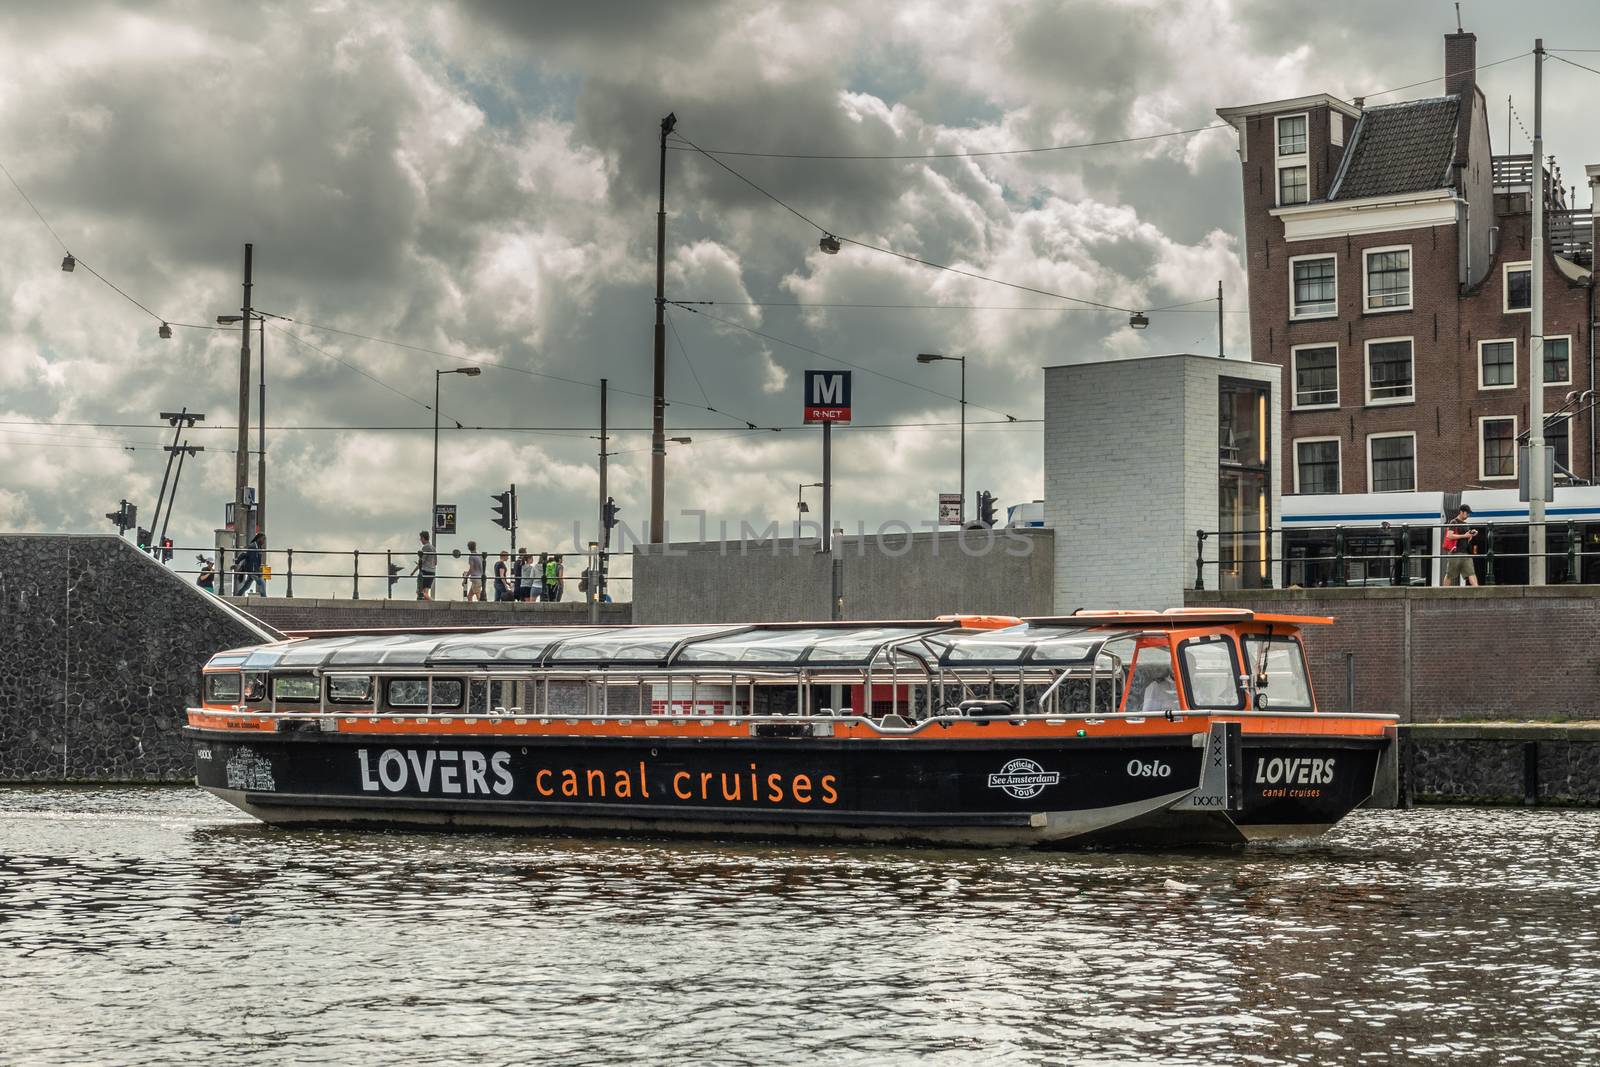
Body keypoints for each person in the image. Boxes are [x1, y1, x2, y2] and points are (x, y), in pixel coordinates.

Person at [1442, 504, 1479, 587]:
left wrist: (1471, 534)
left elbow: (1467, 539)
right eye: (1467, 513)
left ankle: (1478, 593)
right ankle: (1444, 592)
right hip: (1455, 553)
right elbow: (1449, 536)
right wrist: (1464, 536)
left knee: (1472, 573)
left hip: (1466, 553)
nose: (1468, 515)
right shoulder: (1453, 522)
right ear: (1461, 512)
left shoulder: (1466, 524)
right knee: (1449, 575)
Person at [233, 532, 267, 597]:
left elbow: (257, 561)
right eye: (263, 539)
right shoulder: (253, 546)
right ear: (259, 538)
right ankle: (264, 599)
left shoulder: (258, 547)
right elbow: (244, 554)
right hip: (253, 571)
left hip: (253, 570)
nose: (264, 541)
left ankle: (237, 596)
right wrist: (237, 562)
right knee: (262, 583)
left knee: (246, 586)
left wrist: (259, 567)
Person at [410, 530, 437, 601]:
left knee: (419, 592)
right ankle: (427, 609)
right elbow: (435, 562)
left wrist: (413, 572)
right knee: (426, 592)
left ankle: (434, 603)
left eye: (420, 538)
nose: (420, 540)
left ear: (423, 538)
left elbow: (421, 562)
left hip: (425, 571)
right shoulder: (433, 548)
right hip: (432, 572)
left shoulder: (425, 547)